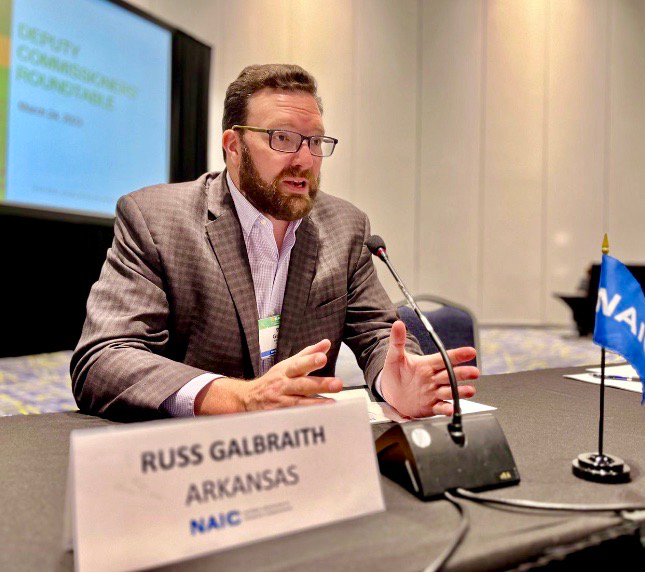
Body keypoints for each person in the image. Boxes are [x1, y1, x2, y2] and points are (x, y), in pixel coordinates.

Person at [71, 64, 478, 421]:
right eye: (282, 138)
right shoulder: (157, 220)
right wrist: (238, 398)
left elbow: (378, 335)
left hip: (303, 453)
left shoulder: (346, 227)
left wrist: (395, 380)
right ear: (234, 146)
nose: (305, 160)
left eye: (315, 141)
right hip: (191, 456)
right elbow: (104, 359)